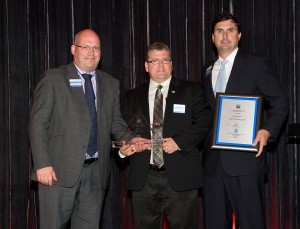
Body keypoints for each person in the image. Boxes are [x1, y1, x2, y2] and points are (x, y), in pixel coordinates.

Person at [29, 29, 138, 229]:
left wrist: (131, 139)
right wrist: (42, 164)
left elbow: (116, 123)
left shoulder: (110, 83)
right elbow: (38, 124)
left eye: (95, 47)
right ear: (73, 49)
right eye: (85, 46)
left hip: (96, 173)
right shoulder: (53, 78)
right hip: (57, 172)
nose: (91, 52)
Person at [201, 12, 289, 229]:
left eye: (230, 30)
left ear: (239, 35)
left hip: (246, 162)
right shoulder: (207, 71)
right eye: (219, 31)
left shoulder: (256, 64)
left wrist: (267, 131)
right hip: (212, 165)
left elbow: (281, 101)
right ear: (212, 37)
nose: (224, 36)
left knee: (252, 224)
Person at [119, 42, 212, 229]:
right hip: (143, 179)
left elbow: (204, 123)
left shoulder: (191, 91)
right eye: (154, 61)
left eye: (165, 60)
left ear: (172, 63)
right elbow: (122, 130)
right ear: (146, 66)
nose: (160, 65)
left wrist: (179, 142)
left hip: (181, 177)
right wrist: (123, 149)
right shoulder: (132, 96)